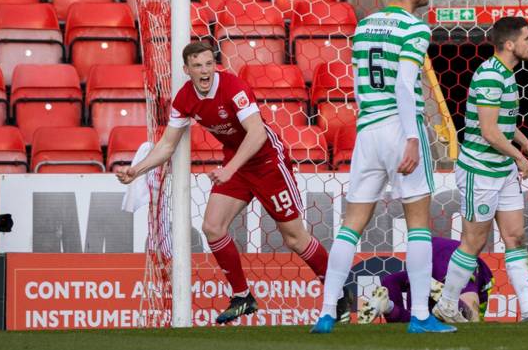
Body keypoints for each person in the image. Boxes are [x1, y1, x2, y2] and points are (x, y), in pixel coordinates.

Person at [116, 41, 352, 325]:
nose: (204, 71)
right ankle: (243, 297)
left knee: (294, 237)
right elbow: (167, 144)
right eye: (197, 66)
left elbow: (257, 135)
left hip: (267, 163)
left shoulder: (234, 88)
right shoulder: (184, 99)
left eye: (208, 64)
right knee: (212, 227)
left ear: (215, 65)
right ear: (186, 69)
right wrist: (137, 170)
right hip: (236, 166)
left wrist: (229, 169)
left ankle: (339, 294)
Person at [311, 0, 455, 334]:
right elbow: (405, 86)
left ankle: (327, 313)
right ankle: (421, 315)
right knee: (419, 223)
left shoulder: (364, 27)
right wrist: (410, 138)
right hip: (399, 127)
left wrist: (369, 124)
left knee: (350, 225)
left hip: (368, 130)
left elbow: (359, 85)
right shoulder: (413, 27)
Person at [433, 17, 528, 323]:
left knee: (516, 236)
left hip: (502, 169)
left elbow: (504, 125)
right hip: (480, 169)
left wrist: (525, 144)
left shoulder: (507, 74)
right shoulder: (489, 75)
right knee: (473, 241)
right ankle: (447, 304)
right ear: (510, 44)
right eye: (527, 38)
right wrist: (520, 157)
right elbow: (488, 131)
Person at [358, 237, 494, 324]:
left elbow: (390, 281)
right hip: (456, 257)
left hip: (426, 250)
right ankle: (430, 285)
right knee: (470, 318)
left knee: (417, 320)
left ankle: (388, 307)